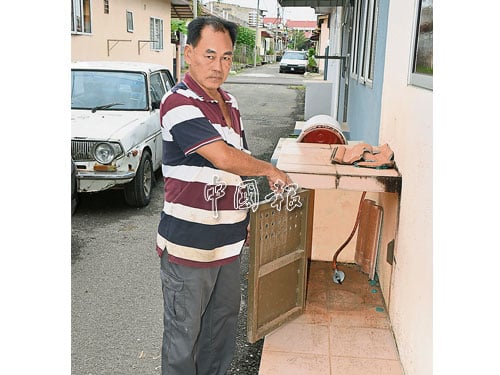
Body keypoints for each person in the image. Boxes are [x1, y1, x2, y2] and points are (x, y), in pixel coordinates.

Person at [156, 16, 292, 375]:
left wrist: (244, 217)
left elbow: (236, 168)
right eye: (209, 55)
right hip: (188, 246)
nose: (219, 66)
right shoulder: (177, 102)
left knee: (220, 334)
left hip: (228, 246)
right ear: (189, 54)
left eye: (227, 57)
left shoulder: (230, 103)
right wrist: (270, 169)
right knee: (183, 341)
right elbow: (221, 156)